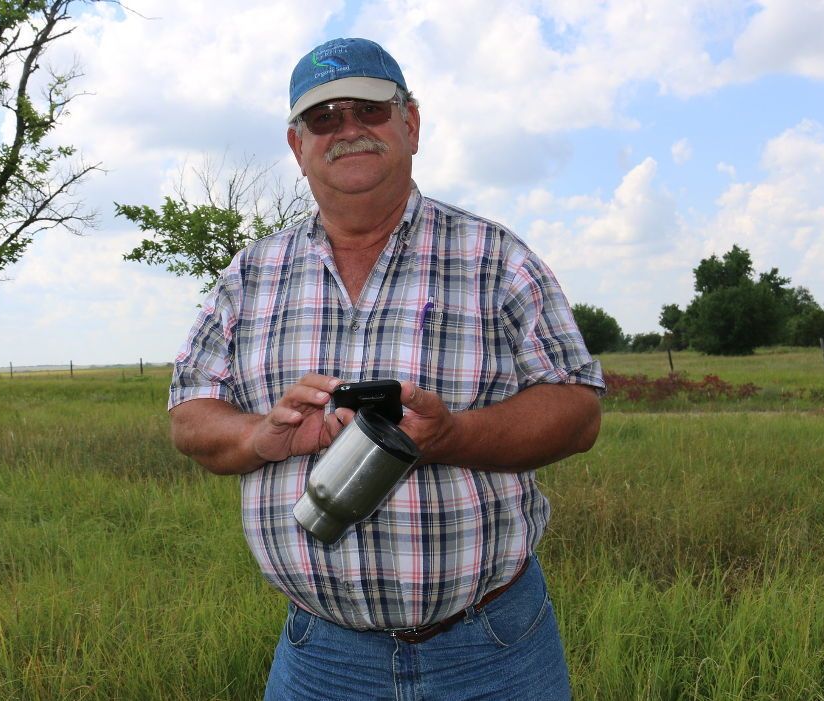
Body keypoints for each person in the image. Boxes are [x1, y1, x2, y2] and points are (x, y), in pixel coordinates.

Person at [168, 37, 604, 700]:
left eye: (369, 110)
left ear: (411, 124)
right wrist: (261, 435)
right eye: (324, 118)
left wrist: (451, 435)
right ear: (297, 147)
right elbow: (189, 415)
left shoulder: (497, 258)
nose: (347, 130)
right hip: (320, 659)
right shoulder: (247, 277)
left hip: (493, 650)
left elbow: (577, 412)